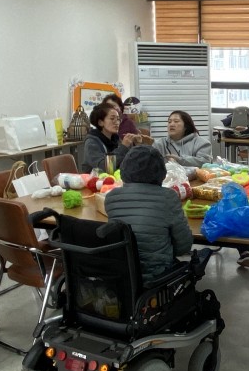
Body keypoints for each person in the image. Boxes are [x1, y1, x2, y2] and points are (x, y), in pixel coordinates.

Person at [105, 146, 194, 287]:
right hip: (157, 276)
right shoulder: (168, 197)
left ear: (123, 171)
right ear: (163, 174)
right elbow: (184, 246)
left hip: (124, 274)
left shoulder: (111, 198)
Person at [80, 103, 136, 173]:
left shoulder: (115, 139)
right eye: (112, 118)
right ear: (100, 122)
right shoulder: (92, 142)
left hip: (114, 178)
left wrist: (137, 144)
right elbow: (105, 167)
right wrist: (123, 147)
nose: (117, 122)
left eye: (118, 119)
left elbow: (127, 163)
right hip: (95, 179)